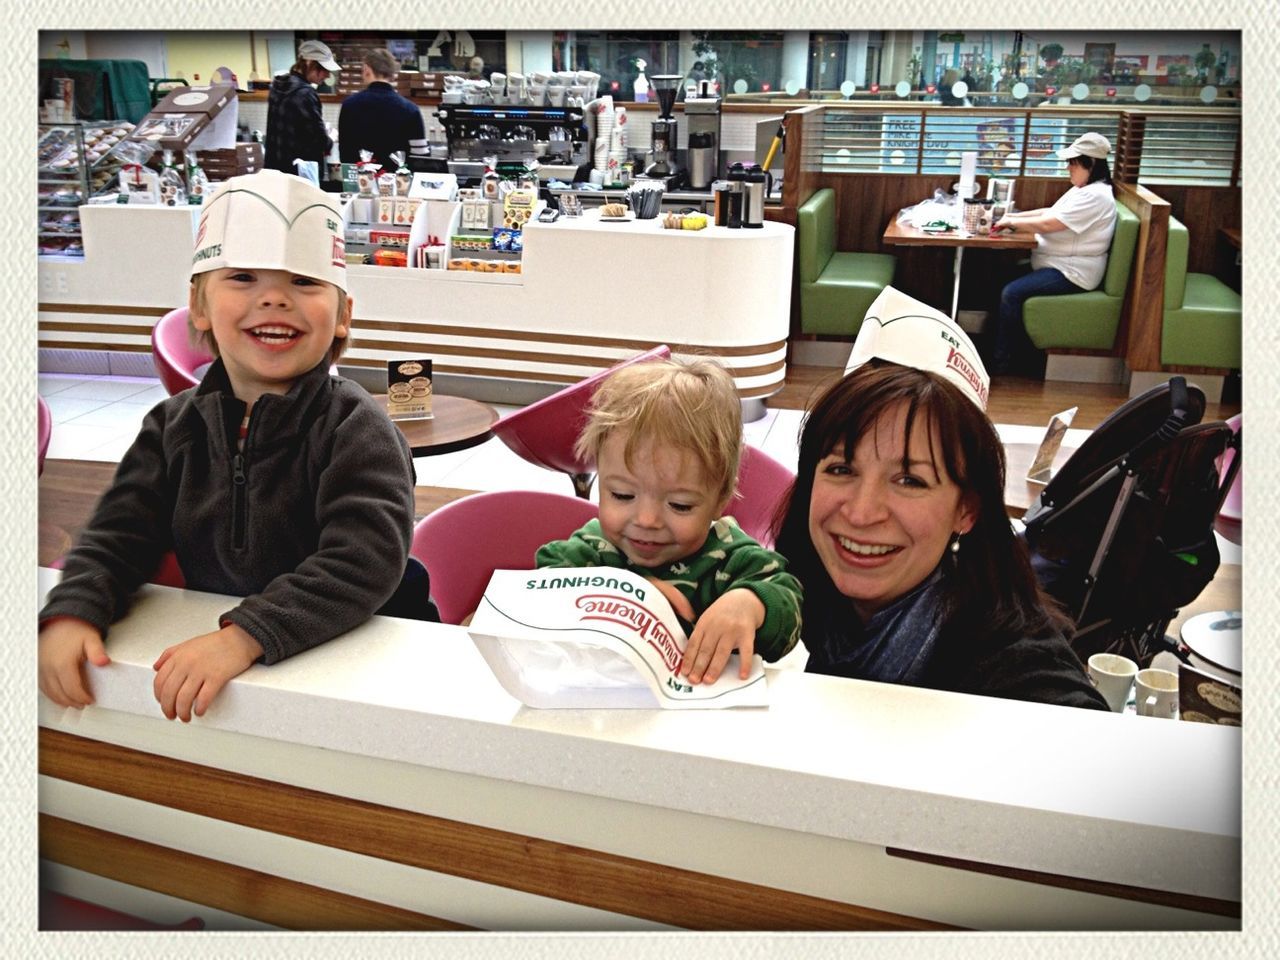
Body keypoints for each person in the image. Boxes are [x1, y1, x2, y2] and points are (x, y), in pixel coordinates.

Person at [38, 170, 429, 722]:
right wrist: (75, 609)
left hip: (367, 651)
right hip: (241, 668)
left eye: (304, 281)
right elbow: (118, 534)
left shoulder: (356, 429)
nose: (273, 298)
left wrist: (245, 634)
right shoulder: (170, 427)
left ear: (342, 317)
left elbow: (363, 560)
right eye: (243, 277)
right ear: (199, 307)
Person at [772, 287, 1108, 710]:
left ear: (966, 509)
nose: (860, 513)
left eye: (910, 480)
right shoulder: (784, 593)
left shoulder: (1004, 654)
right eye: (841, 470)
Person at [535, 357, 804, 685]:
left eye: (679, 505)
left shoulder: (733, 559)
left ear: (720, 500)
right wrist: (623, 596)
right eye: (622, 495)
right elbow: (542, 585)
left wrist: (750, 603)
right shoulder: (592, 549)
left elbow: (789, 607)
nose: (647, 520)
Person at [988, 132, 1117, 375]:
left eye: (1073, 162)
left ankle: (1002, 364)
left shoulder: (1096, 196)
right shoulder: (1084, 189)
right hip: (1056, 264)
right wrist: (1011, 217)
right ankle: (994, 350)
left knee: (1010, 293)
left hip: (1072, 273)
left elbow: (1050, 224)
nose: (1068, 167)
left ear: (1090, 163)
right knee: (998, 276)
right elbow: (1049, 211)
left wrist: (1012, 222)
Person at [338, 48, 428, 167]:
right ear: (392, 73)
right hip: (398, 182)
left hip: (361, 181)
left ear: (367, 69)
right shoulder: (411, 109)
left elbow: (345, 153)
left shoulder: (349, 106)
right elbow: (420, 156)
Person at [265, 39, 339, 177]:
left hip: (276, 171)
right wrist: (331, 138)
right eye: (324, 69)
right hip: (301, 173)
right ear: (309, 63)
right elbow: (319, 140)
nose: (327, 75)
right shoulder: (305, 94)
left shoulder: (277, 87)